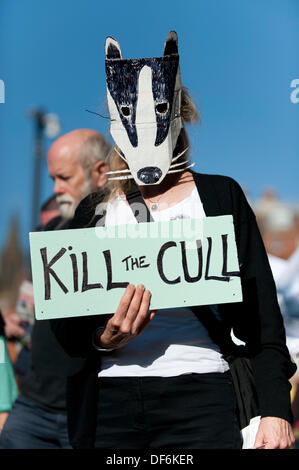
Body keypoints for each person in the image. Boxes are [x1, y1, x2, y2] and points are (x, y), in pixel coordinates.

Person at [51, 32, 296, 449]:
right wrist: (102, 337)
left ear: (178, 114)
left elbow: (263, 318)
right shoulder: (95, 211)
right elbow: (66, 327)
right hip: (112, 402)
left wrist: (276, 410)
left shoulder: (221, 197)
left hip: (202, 394)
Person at [0, 129, 110, 449]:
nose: (56, 189)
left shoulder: (122, 227)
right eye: (52, 178)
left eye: (64, 177)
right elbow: (30, 305)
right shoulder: (50, 229)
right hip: (34, 404)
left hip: (92, 407)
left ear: (100, 172)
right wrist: (12, 321)